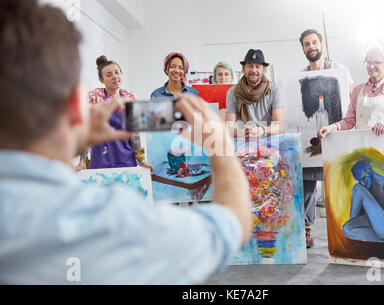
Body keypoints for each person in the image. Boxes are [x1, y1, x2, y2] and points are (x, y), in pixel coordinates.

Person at [0, 0, 252, 284]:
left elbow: (136, 135)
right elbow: (233, 224)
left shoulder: (134, 97)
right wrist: (222, 145)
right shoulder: (111, 222)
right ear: (75, 104)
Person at [299, 29, 355, 248]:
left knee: (339, 184)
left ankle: (344, 230)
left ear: (321, 44)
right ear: (303, 48)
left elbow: (352, 99)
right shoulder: (300, 77)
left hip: (338, 137)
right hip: (311, 141)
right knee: (307, 186)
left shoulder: (340, 70)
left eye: (314, 42)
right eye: (306, 44)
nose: (311, 46)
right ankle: (306, 230)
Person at [75, 56, 153, 172]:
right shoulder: (95, 96)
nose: (114, 77)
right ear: (101, 80)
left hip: (126, 160)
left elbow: (134, 133)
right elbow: (87, 130)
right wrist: (82, 162)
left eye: (117, 72)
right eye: (109, 75)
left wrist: (141, 160)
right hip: (100, 160)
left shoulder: (130, 96)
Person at [318, 45, 384, 138]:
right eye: (368, 62)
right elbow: (349, 121)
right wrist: (331, 128)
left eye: (377, 62)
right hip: (363, 146)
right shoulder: (357, 90)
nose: (372, 66)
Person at [343, 160, 384, 250]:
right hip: (377, 223)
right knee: (346, 229)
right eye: (359, 180)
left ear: (369, 171)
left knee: (357, 188)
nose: (362, 183)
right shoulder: (367, 188)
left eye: (363, 178)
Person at [225, 49, 284, 141]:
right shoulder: (233, 92)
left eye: (258, 66)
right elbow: (229, 127)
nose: (253, 70)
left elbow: (279, 127)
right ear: (243, 68)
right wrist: (243, 132)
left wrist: (262, 130)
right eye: (250, 66)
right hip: (243, 142)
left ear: (264, 69)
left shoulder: (274, 89)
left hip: (267, 143)